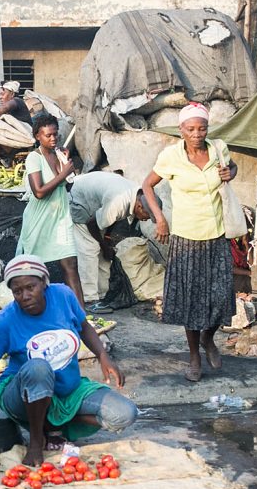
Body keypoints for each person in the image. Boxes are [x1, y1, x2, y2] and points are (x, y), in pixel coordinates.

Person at [0, 255, 136, 466]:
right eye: (17, 291)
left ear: (44, 284)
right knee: (39, 368)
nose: (25, 296)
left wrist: (103, 356)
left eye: (31, 287)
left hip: (68, 392)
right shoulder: (4, 321)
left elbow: (83, 326)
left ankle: (50, 425)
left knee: (124, 414)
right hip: (20, 394)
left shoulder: (63, 296)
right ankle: (37, 441)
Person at [142, 102, 237, 382]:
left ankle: (209, 338)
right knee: (191, 302)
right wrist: (159, 218)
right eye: (191, 128)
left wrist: (231, 172)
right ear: (181, 130)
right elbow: (147, 185)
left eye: (202, 128)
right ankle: (194, 355)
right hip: (186, 237)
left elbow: (231, 167)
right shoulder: (171, 156)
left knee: (221, 298)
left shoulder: (219, 147)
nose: (197, 133)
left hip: (216, 234)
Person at [17, 113, 85, 306]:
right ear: (38, 136)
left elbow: (66, 187)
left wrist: (67, 169)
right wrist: (63, 174)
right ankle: (39, 310)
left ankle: (82, 316)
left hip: (60, 217)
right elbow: (38, 192)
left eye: (55, 134)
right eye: (48, 135)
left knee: (70, 265)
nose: (53, 138)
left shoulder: (59, 154)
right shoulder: (33, 158)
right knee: (35, 269)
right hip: (39, 220)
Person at [69, 170, 155, 312]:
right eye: (147, 216)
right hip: (79, 199)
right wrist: (104, 245)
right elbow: (92, 223)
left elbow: (113, 218)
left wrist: (107, 239)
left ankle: (103, 295)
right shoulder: (119, 201)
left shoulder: (136, 195)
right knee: (90, 249)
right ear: (139, 206)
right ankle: (89, 299)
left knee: (105, 255)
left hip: (96, 207)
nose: (145, 219)